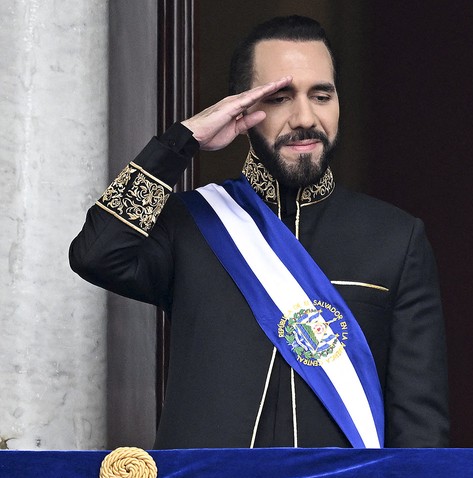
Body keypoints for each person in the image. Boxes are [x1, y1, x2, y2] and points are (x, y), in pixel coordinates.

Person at [70, 15, 449, 449]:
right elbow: (95, 253)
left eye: (321, 95)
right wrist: (181, 142)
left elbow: (420, 428)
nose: (305, 117)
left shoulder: (396, 238)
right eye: (281, 97)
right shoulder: (191, 223)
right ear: (243, 109)